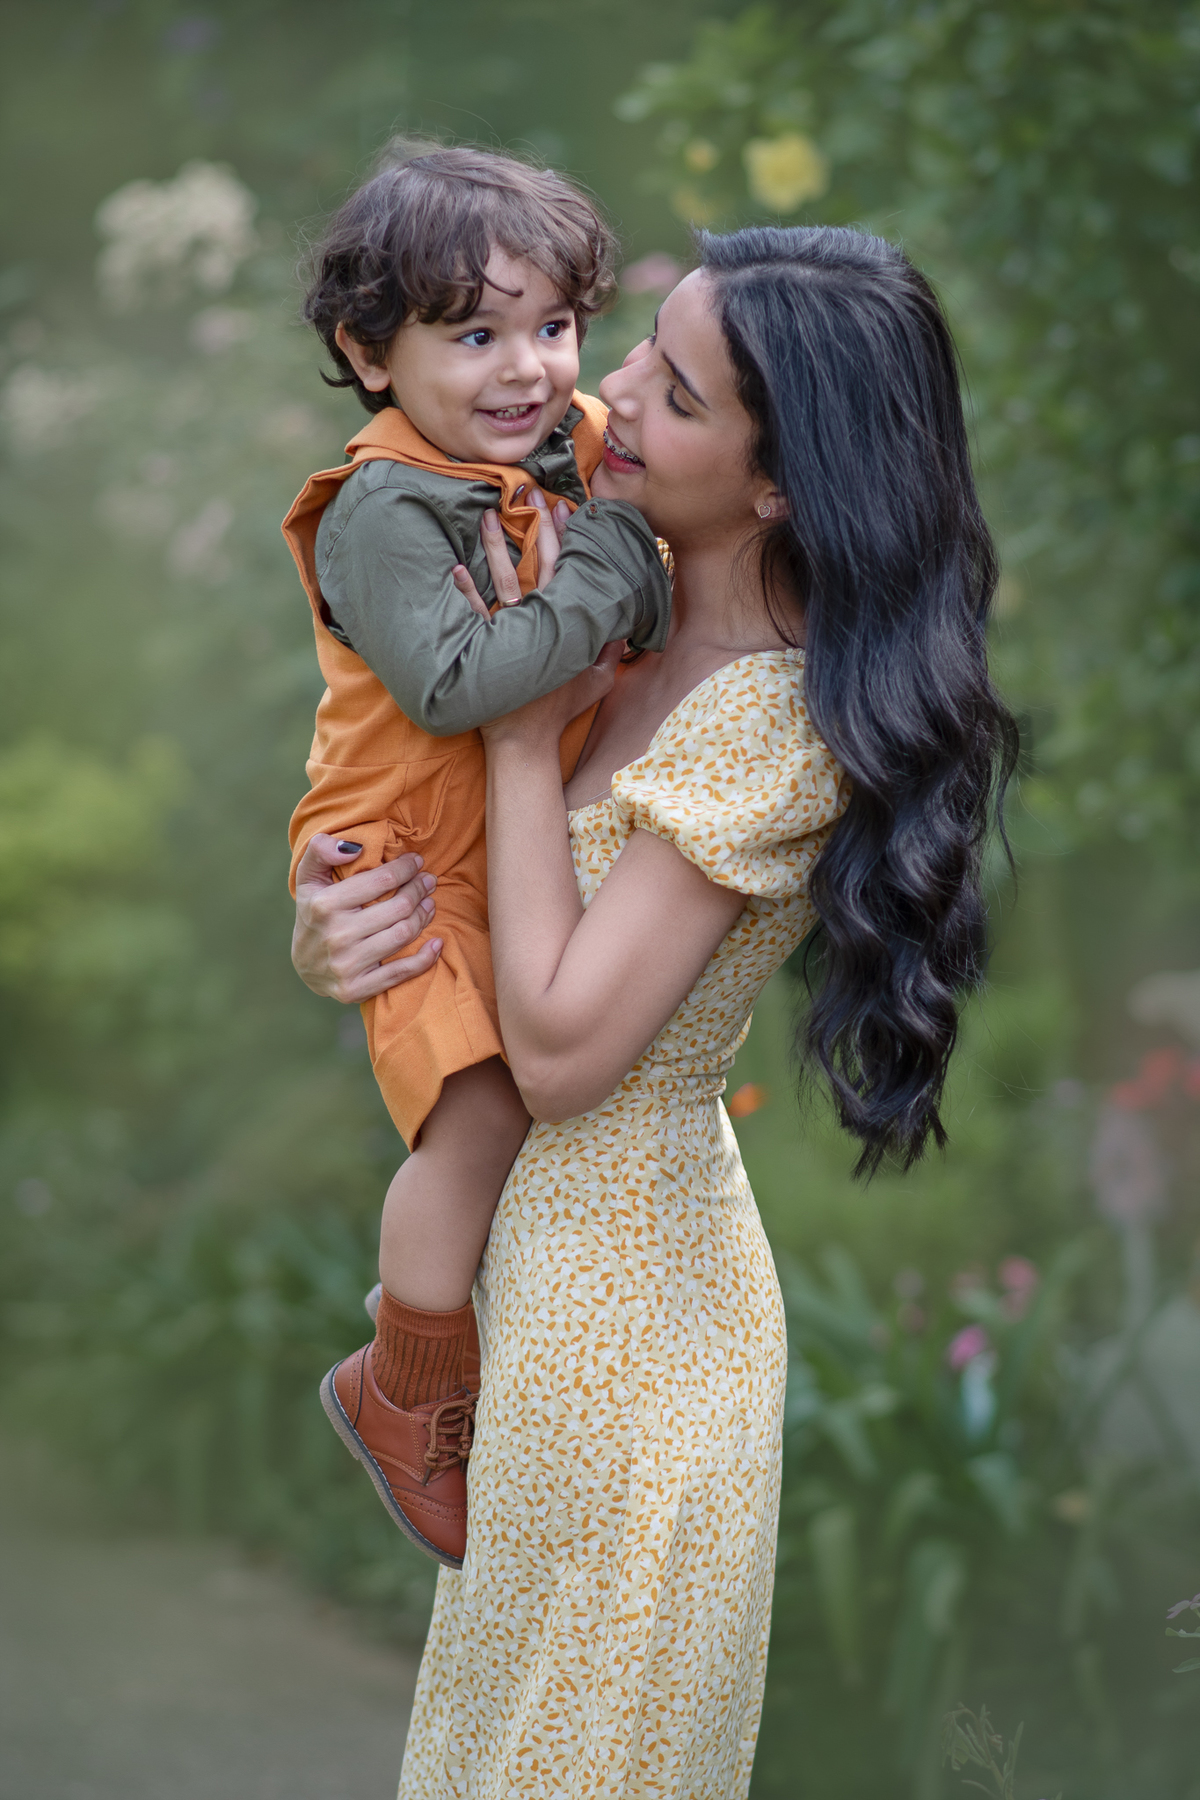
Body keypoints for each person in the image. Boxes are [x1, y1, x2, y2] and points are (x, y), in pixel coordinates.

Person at [291, 223, 1018, 1798]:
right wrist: (342, 919)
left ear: (777, 486)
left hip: (630, 1333)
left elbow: (557, 1052)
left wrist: (507, 729)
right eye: (638, 343)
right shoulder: (606, 597)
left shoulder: (771, 722)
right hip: (533, 1299)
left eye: (671, 391)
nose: (602, 386)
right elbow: (454, 874)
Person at [283, 142, 672, 1570]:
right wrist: (615, 562)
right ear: (368, 354)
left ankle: (440, 1361)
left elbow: (650, 442)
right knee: (485, 1112)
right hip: (405, 863)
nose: (529, 369)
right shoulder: (385, 510)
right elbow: (461, 685)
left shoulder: (545, 430)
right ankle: (405, 1384)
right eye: (474, 334)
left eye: (553, 325)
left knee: (531, 1104)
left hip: (488, 843)